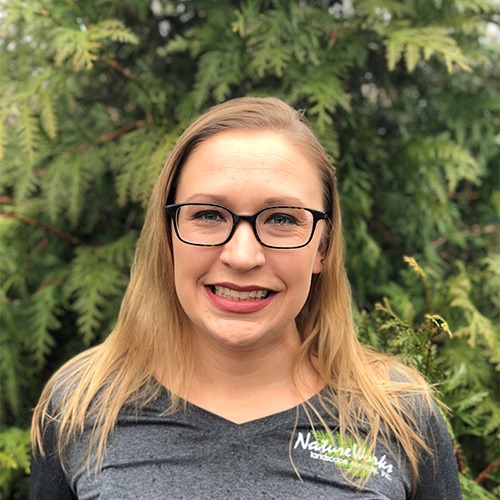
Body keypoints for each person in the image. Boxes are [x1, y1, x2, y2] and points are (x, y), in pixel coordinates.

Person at [30, 97, 462, 499]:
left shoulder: (400, 416)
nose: (241, 256)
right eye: (208, 215)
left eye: (280, 219)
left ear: (324, 247)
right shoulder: (80, 407)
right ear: (168, 236)